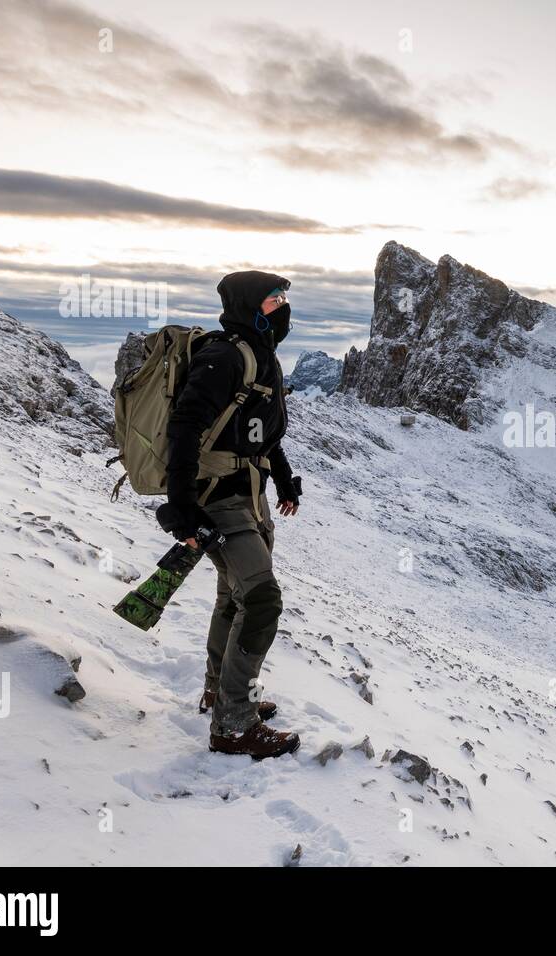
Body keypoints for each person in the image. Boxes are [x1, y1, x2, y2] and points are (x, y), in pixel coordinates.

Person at [164, 270, 302, 759]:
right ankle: (233, 724)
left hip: (251, 495)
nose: (281, 308)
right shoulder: (224, 356)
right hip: (218, 497)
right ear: (247, 306)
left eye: (283, 299)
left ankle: (218, 694)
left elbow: (265, 434)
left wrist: (284, 480)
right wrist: (181, 507)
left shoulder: (264, 360)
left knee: (233, 598)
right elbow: (183, 428)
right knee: (262, 601)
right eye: (271, 300)